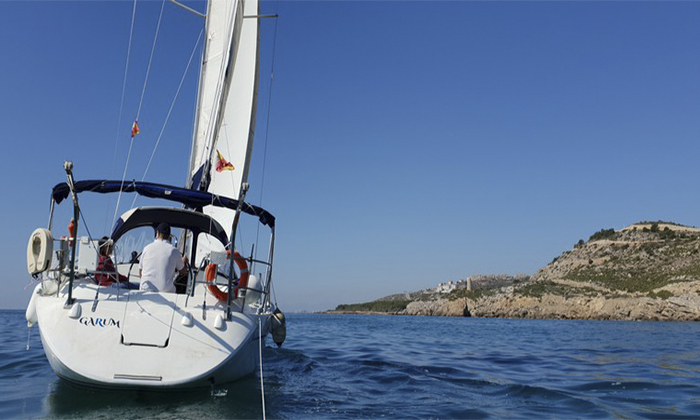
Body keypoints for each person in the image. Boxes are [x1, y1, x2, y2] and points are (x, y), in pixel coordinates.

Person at [139, 223, 188, 293]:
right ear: (169, 236)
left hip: (145, 290)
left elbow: (141, 273)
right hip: (166, 292)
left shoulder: (146, 248)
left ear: (157, 234)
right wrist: (184, 262)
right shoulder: (174, 251)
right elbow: (183, 271)